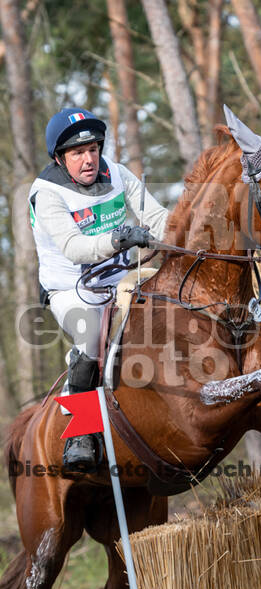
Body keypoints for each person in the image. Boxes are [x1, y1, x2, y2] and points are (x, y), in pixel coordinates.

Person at [29, 107, 169, 472]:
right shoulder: (46, 194)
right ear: (60, 158)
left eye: (93, 149)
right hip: (71, 288)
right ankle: (81, 433)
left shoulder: (119, 174)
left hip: (121, 278)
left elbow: (157, 217)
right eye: (77, 153)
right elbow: (75, 248)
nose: (89, 159)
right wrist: (119, 238)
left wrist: (191, 232)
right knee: (91, 336)